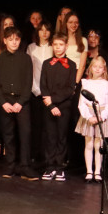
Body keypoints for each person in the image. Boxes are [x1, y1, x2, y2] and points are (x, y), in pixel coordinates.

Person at [0, 26, 36, 180]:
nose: (14, 42)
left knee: (25, 133)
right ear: (4, 41)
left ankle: (24, 166)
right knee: (8, 134)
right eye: (10, 39)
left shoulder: (25, 58)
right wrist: (3, 102)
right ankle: (10, 164)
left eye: (16, 39)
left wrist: (21, 102)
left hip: (21, 101)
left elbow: (28, 82)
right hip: (5, 101)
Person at [40, 34, 77, 182]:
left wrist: (54, 100)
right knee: (50, 137)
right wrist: (51, 105)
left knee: (61, 137)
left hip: (64, 107)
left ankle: (59, 168)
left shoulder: (72, 65)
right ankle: (49, 167)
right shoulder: (46, 64)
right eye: (55, 45)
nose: (57, 47)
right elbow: (43, 86)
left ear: (66, 46)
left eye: (61, 45)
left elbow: (70, 89)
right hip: (49, 106)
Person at [75, 55, 108, 183]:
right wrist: (88, 116)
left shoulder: (106, 84)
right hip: (89, 114)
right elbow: (81, 103)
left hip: (101, 115)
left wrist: (101, 117)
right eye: (95, 67)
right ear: (90, 68)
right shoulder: (86, 83)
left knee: (99, 144)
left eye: (100, 67)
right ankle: (89, 171)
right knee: (89, 143)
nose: (97, 69)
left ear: (104, 70)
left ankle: (97, 171)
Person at [26, 20, 53, 168]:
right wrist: (36, 90)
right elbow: (29, 71)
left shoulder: (53, 48)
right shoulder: (31, 48)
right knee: (36, 125)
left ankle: (46, 155)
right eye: (41, 30)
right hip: (35, 91)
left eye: (47, 30)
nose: (44, 33)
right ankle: (34, 154)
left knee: (48, 126)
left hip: (50, 94)